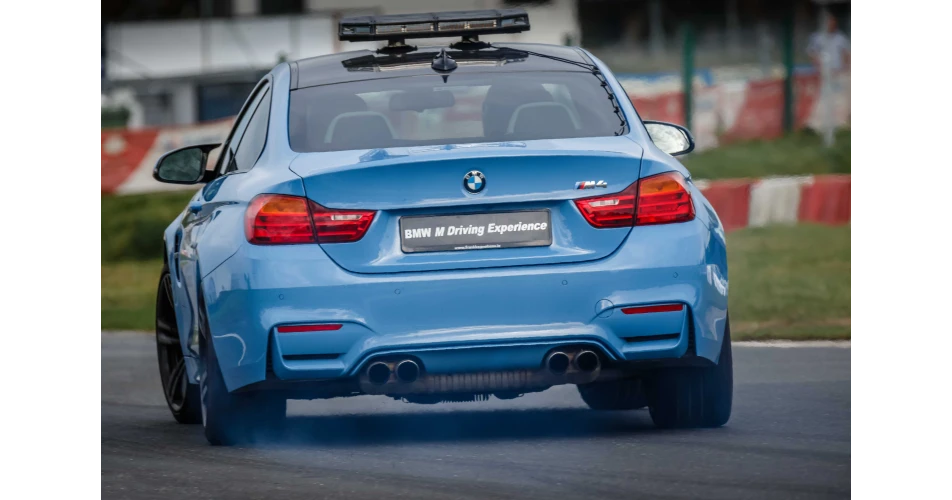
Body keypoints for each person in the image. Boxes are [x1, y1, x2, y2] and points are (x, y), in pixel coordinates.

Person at [806, 12, 853, 145]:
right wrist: (818, 68)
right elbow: (812, 54)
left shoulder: (840, 38)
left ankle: (838, 124)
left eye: (833, 22)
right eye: (829, 22)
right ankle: (818, 126)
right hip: (823, 74)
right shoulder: (817, 37)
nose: (831, 24)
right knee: (823, 100)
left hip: (838, 73)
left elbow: (846, 54)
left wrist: (845, 69)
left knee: (838, 100)